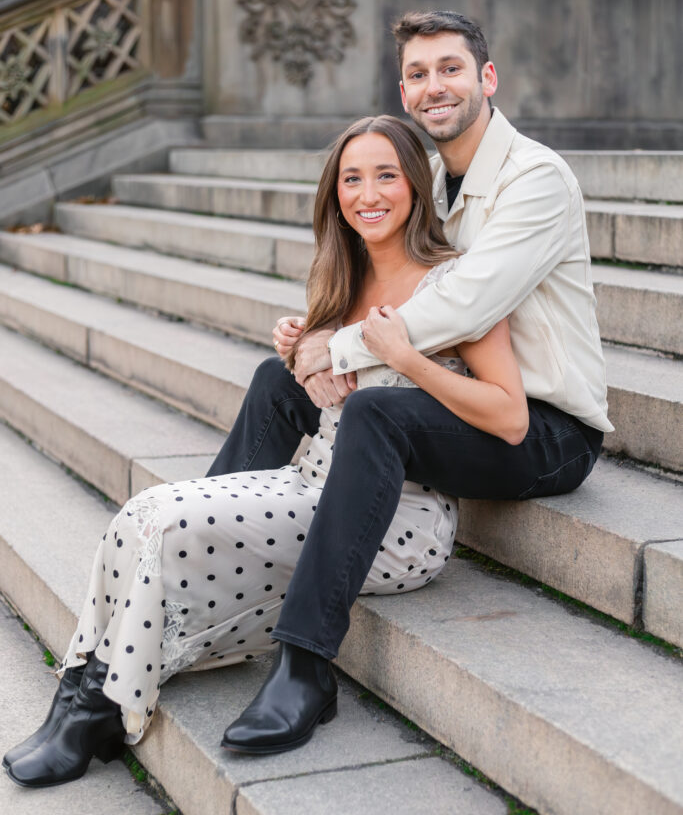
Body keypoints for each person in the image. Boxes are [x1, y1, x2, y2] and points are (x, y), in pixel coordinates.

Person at [4, 114, 531, 787]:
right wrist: (303, 352)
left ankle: (101, 710)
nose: (367, 193)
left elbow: (508, 415)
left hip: (395, 521)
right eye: (351, 178)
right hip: (309, 484)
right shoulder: (341, 276)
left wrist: (407, 358)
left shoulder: (452, 282)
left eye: (385, 175)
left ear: (416, 186)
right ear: (333, 193)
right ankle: (83, 697)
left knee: (168, 521)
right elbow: (328, 393)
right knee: (147, 512)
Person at [220, 10, 612, 755]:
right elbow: (389, 283)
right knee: (277, 381)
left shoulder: (535, 179)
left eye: (451, 68)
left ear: (486, 78)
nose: (436, 86)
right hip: (446, 387)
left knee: (372, 412)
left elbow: (466, 303)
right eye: (419, 74)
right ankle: (203, 552)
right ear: (404, 92)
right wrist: (309, 335)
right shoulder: (422, 173)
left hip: (542, 427)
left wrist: (335, 350)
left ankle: (304, 665)